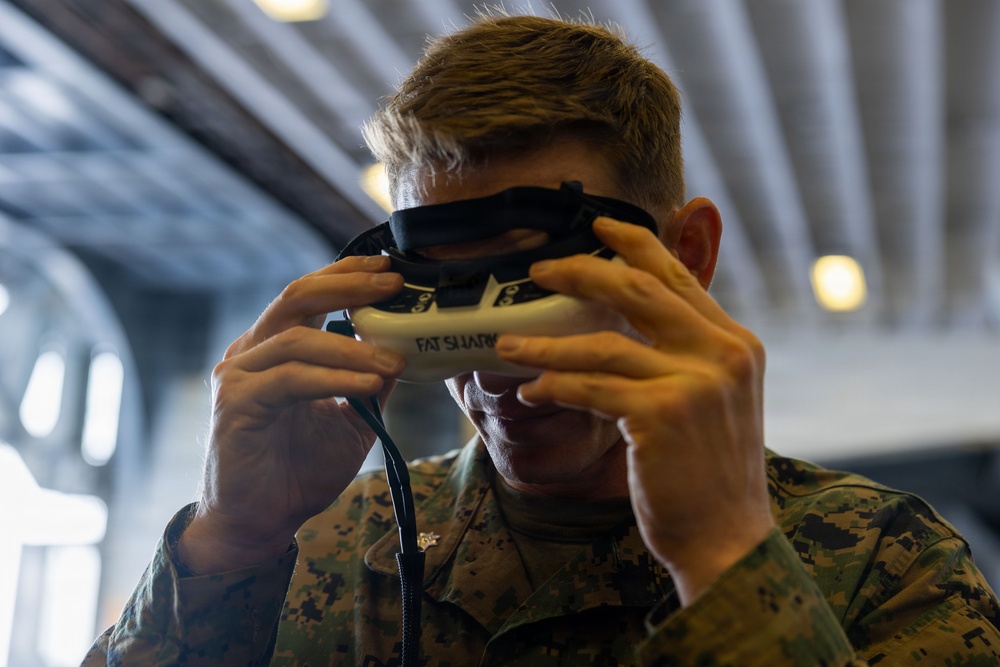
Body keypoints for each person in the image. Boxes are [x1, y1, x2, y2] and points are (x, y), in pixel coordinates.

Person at [84, 12, 1000, 666]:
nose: (501, 371)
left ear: (685, 256)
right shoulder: (319, 546)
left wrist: (725, 559)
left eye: (542, 294)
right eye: (450, 302)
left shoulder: (879, 557)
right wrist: (228, 544)